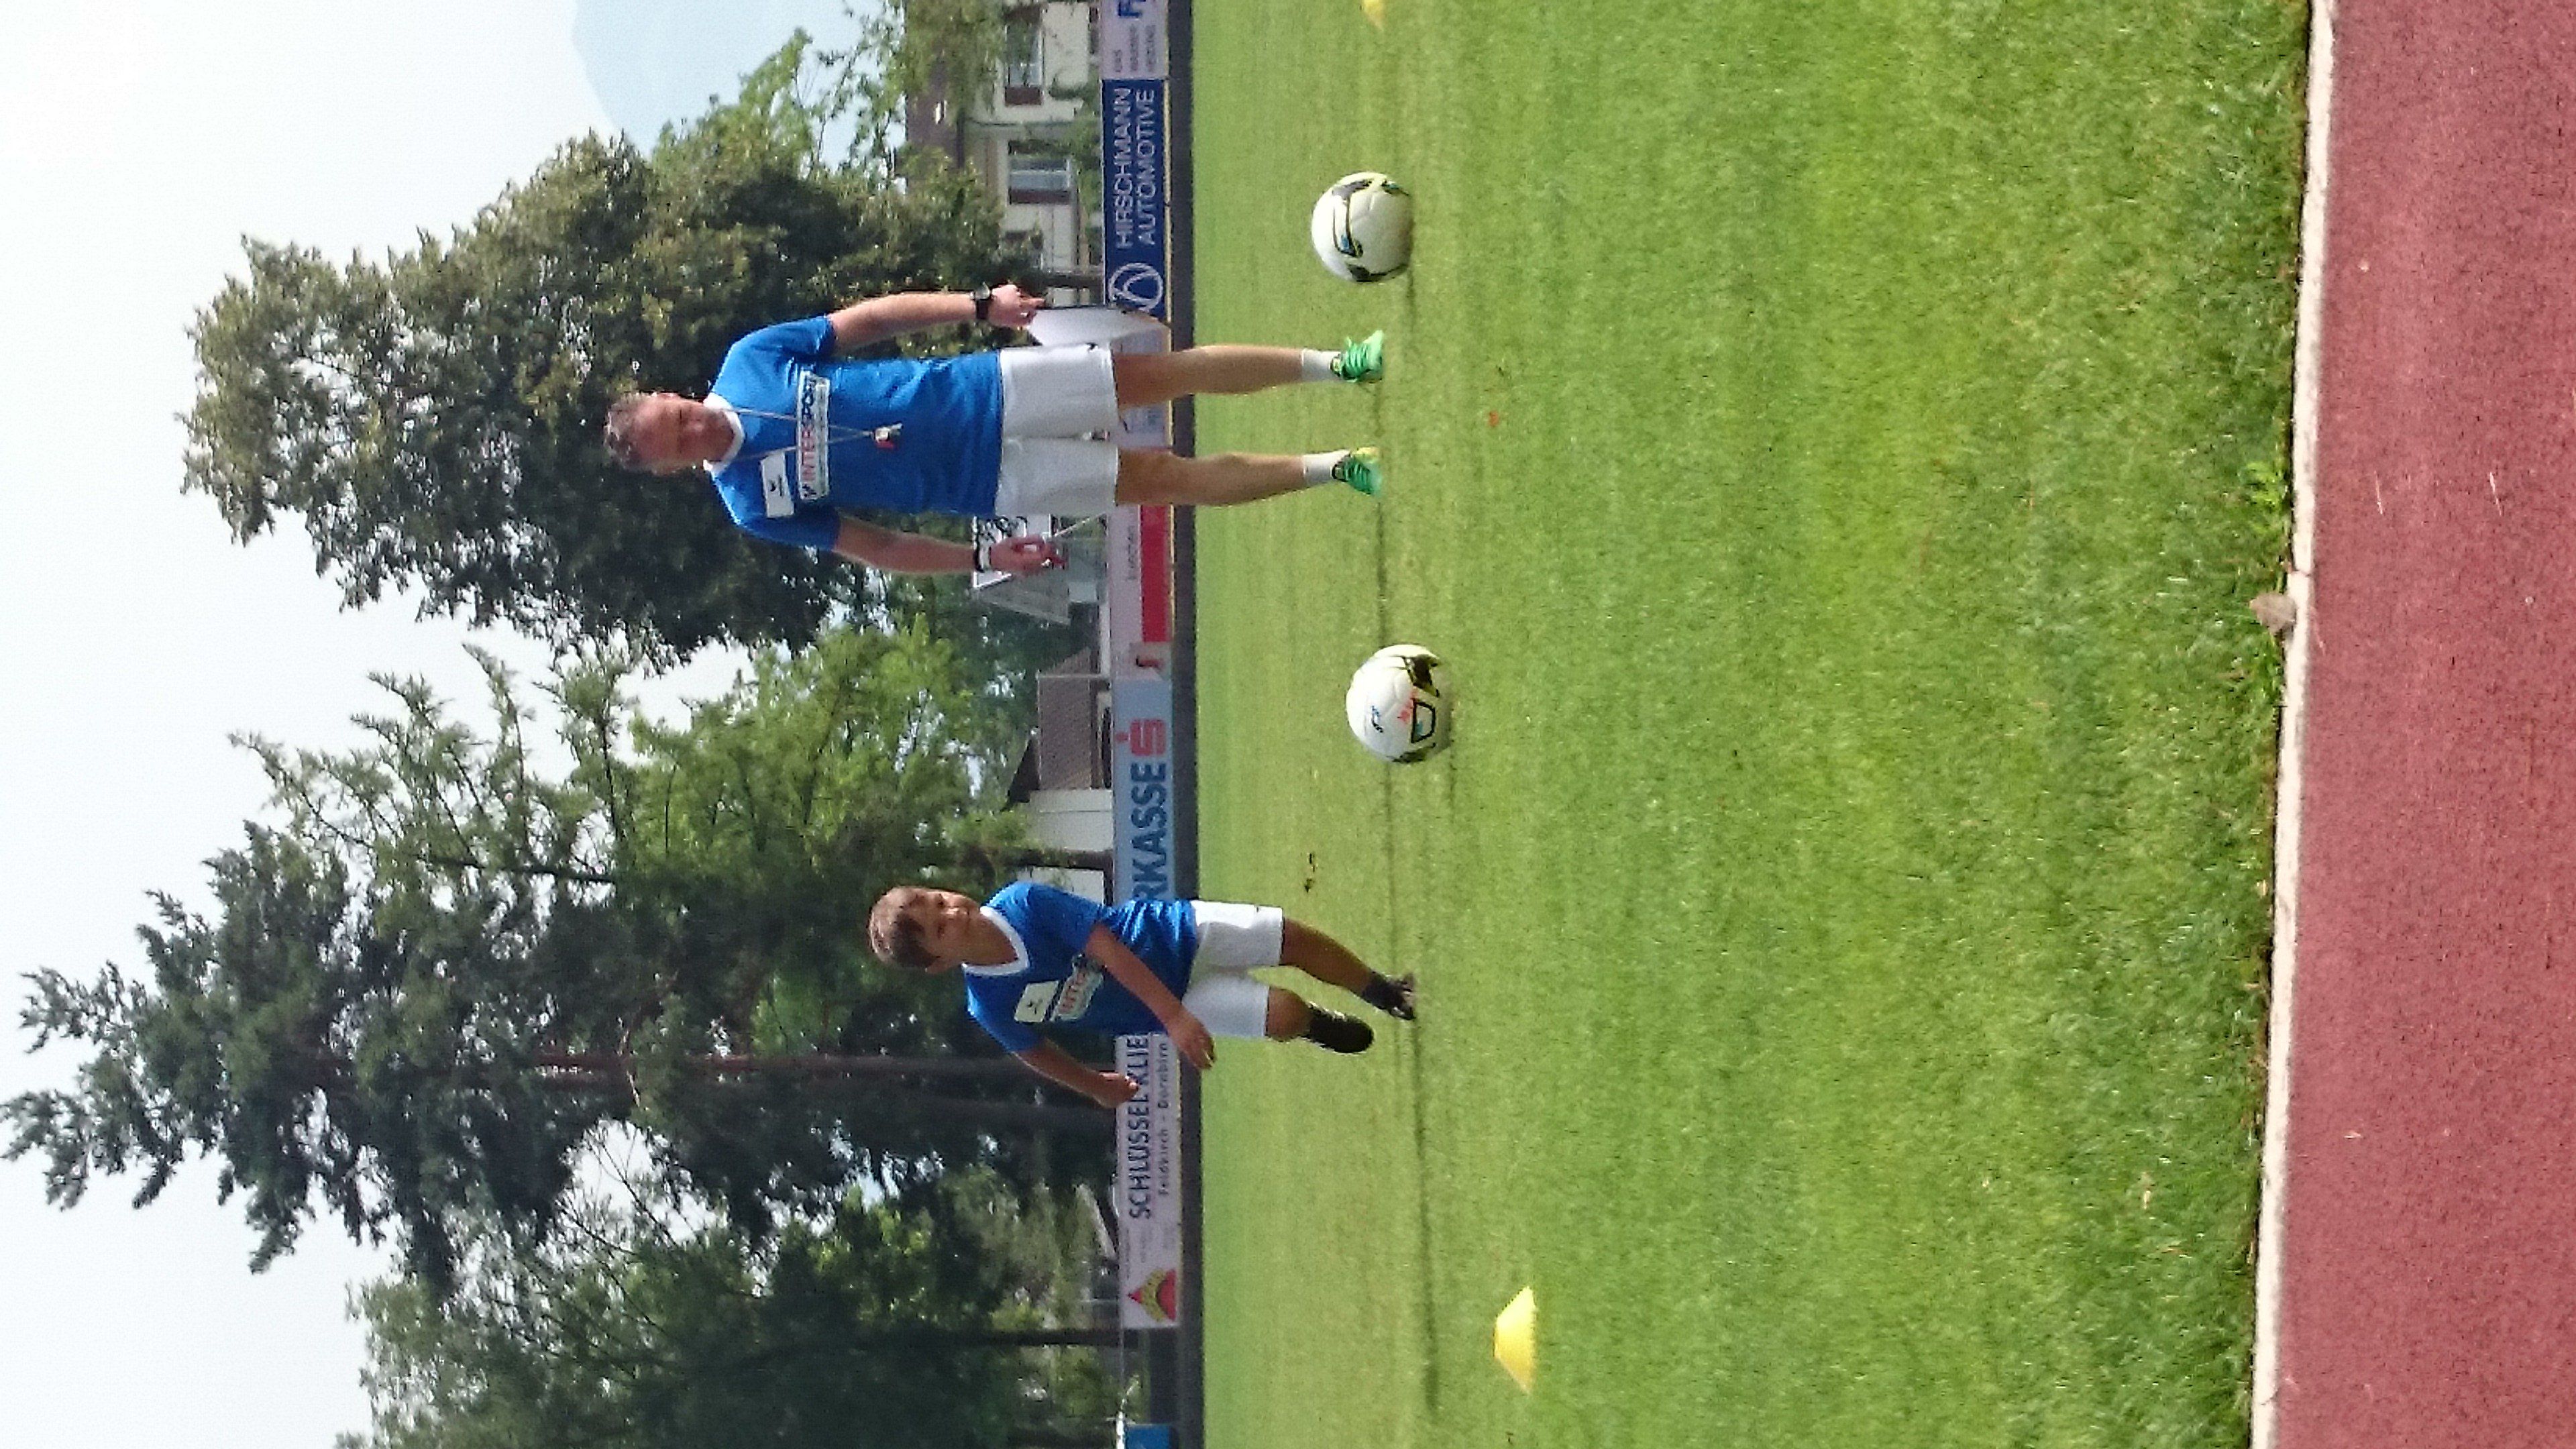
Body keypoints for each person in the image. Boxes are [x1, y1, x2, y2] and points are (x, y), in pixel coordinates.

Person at [602, 282, 1386, 578]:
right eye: (679, 443)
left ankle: (1339, 365)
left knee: (1164, 373)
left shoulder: (750, 362)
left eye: (679, 414)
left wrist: (980, 307)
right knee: (1164, 479)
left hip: (988, 389)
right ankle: (1338, 467)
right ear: (673, 470)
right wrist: (981, 557)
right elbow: (880, 547)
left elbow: (870, 320)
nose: (694, 427)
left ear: (672, 394)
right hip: (989, 483)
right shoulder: (751, 505)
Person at [867, 879, 1417, 1108]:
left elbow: (1108, 949)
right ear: (938, 965)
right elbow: (1033, 1051)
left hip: (1173, 936)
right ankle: (1317, 1023)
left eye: (938, 900)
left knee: (1290, 940)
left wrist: (1173, 1015)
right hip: (1172, 1007)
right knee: (1286, 1015)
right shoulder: (988, 1003)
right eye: (939, 928)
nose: (952, 912)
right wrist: (1095, 1086)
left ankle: (1385, 990)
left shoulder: (1024, 903)